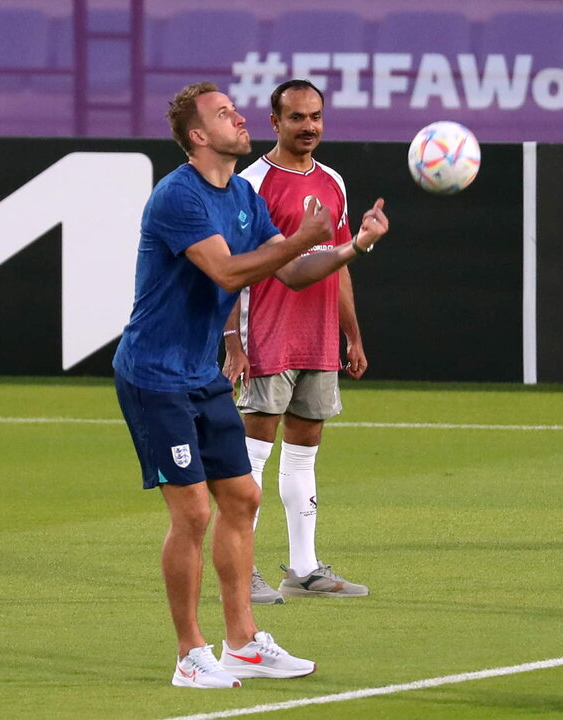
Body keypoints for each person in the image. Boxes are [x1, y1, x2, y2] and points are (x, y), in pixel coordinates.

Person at [112, 81, 389, 689]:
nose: (238, 119)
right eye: (224, 114)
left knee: (242, 498)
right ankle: (190, 654)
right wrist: (299, 238)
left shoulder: (241, 195)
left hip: (199, 373)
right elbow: (230, 271)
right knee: (192, 512)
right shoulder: (177, 196)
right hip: (154, 374)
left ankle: (241, 643)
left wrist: (352, 246)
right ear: (197, 136)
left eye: (236, 111)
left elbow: (291, 273)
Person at [222, 79, 383, 603]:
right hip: (267, 334)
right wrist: (232, 341)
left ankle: (304, 568)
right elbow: (231, 267)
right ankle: (241, 571)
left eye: (315, 116)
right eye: (296, 117)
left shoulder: (332, 181)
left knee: (304, 454)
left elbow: (337, 265)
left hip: (316, 339)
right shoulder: (251, 184)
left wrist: (351, 334)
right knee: (251, 458)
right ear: (275, 123)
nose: (308, 126)